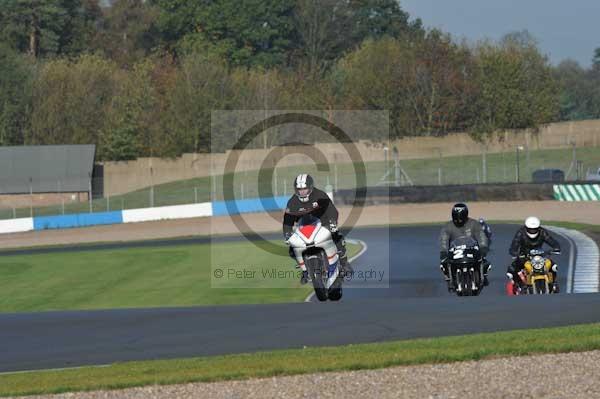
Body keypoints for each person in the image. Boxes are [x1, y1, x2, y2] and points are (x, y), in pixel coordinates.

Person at [283, 174, 352, 284]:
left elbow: (332, 210)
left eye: (304, 189)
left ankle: (344, 263)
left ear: (310, 187)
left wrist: (332, 222)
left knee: (337, 237)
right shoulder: (292, 201)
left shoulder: (320, 195)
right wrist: (287, 233)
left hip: (324, 224)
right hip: (304, 228)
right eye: (299, 189)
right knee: (292, 249)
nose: (302, 192)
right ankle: (305, 271)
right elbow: (288, 219)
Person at [439, 203, 490, 291]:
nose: (459, 219)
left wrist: (483, 247)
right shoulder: (448, 226)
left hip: (471, 249)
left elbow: (481, 236)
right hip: (455, 251)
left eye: (461, 217)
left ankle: (483, 277)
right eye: (456, 217)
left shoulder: (474, 224)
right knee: (444, 264)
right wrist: (443, 251)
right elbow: (444, 239)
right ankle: (450, 280)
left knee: (485, 261)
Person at [508, 216, 561, 293]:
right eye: (530, 229)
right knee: (513, 268)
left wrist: (556, 248)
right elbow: (515, 243)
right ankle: (520, 285)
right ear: (526, 228)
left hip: (539, 255)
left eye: (535, 229)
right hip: (524, 255)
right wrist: (514, 252)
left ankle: (553, 283)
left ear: (538, 228)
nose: (532, 231)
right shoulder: (521, 232)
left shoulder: (542, 232)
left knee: (553, 266)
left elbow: (551, 240)